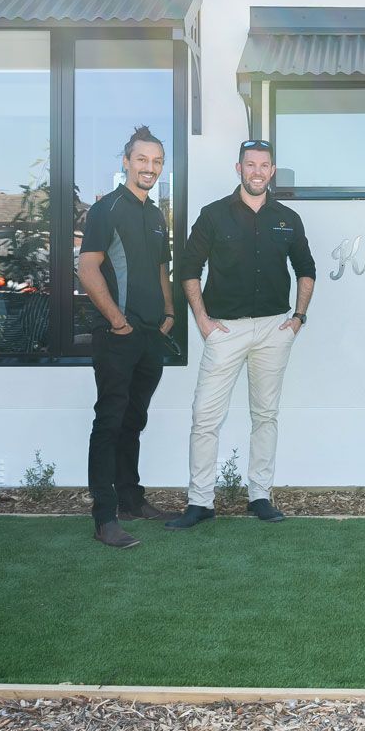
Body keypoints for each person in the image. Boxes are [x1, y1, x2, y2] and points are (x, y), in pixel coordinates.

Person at [167, 139, 316, 529]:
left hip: (273, 329)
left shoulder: (287, 218)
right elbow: (187, 268)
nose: (257, 172)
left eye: (264, 165)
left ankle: (260, 496)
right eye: (250, 165)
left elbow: (306, 269)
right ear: (239, 169)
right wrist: (201, 319)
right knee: (205, 417)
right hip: (224, 330)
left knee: (265, 415)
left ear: (272, 171)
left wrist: (298, 318)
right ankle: (200, 502)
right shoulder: (213, 215)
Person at [78, 126, 179, 549]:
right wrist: (117, 320)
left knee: (135, 420)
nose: (149, 168)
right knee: (110, 422)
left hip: (151, 336)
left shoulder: (156, 215)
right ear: (126, 162)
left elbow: (160, 269)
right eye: (142, 160)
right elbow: (86, 268)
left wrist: (170, 312)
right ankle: (105, 517)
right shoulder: (107, 210)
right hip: (117, 337)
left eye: (156, 161)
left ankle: (132, 499)